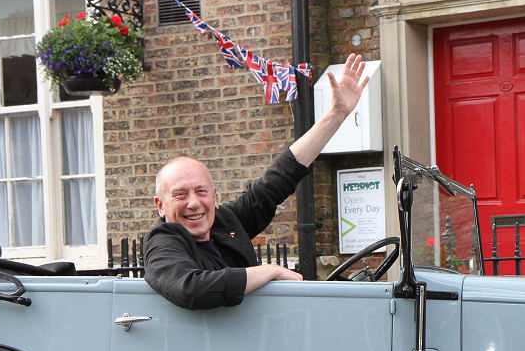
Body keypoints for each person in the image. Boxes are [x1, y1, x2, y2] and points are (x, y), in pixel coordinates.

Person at [144, 54, 370, 310]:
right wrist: (270, 272)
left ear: (215, 197)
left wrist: (336, 115)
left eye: (201, 191)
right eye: (180, 195)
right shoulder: (163, 241)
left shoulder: (225, 222)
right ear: (160, 206)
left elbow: (279, 178)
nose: (194, 203)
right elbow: (191, 289)